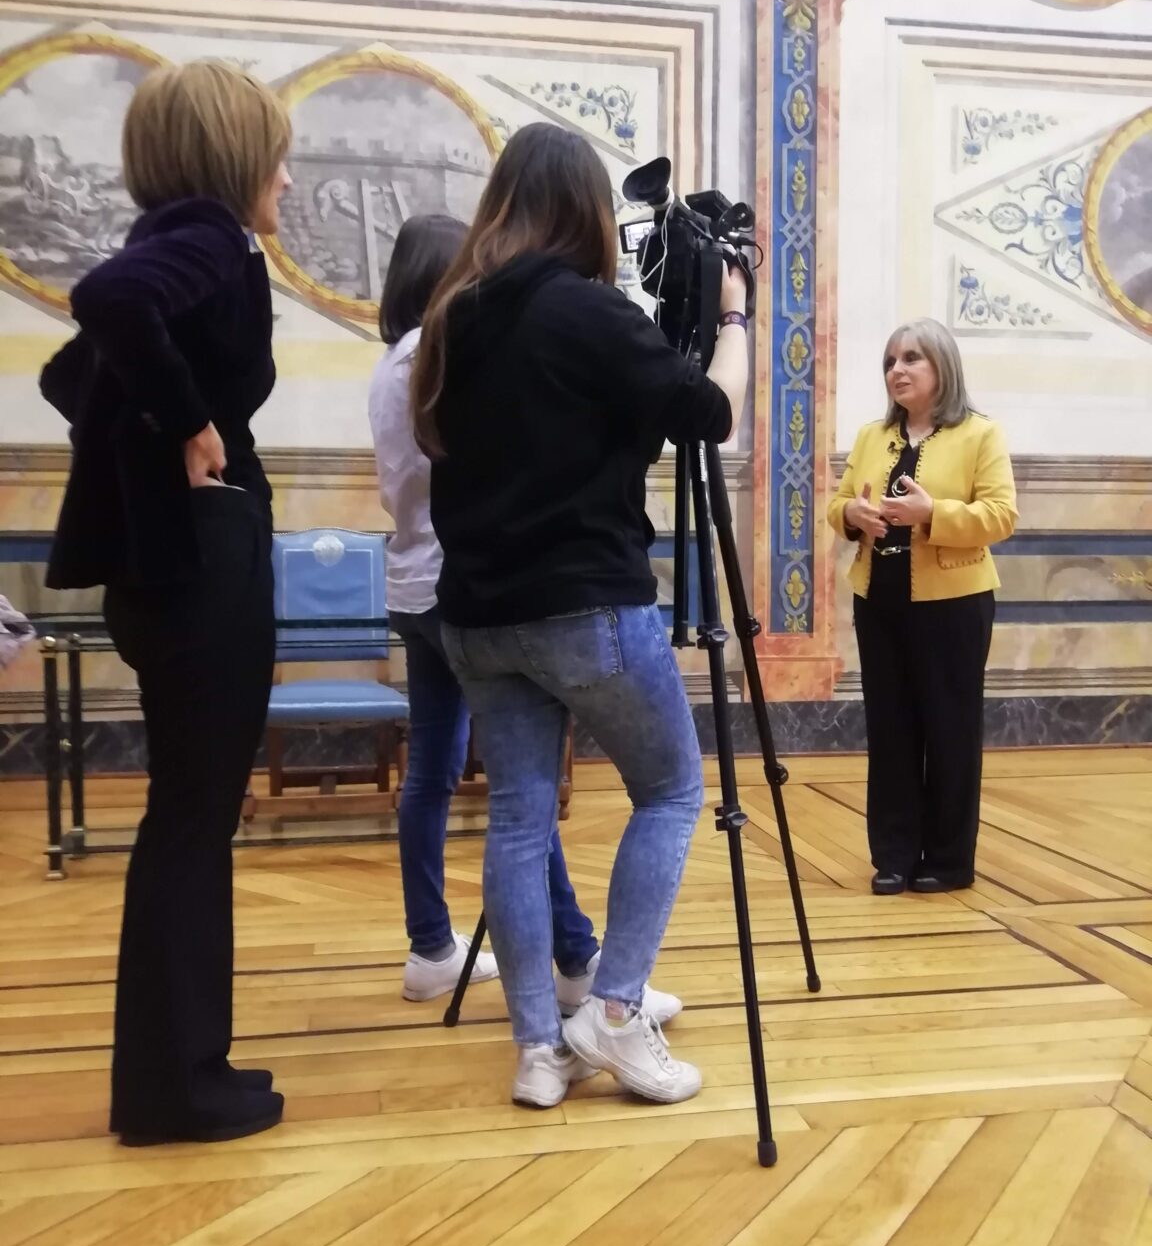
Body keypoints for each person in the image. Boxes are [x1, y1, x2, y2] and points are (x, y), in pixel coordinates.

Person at [411, 123, 750, 1108]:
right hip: (585, 603)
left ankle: (536, 1051)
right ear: (587, 211)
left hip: (476, 615)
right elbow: (710, 414)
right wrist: (732, 315)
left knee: (519, 819)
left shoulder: (454, 314)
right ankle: (613, 1010)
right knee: (672, 790)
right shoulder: (587, 310)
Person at [368, 215, 680, 1096]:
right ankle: (598, 992)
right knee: (650, 789)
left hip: (437, 589)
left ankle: (534, 1016)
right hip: (500, 583)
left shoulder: (406, 357)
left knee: (493, 799)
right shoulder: (458, 341)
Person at [40, 61, 293, 1145]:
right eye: (277, 157)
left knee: (186, 819)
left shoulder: (173, 240)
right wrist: (188, 424)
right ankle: (176, 1088)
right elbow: (106, 306)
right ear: (234, 159)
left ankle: (186, 1068)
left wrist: (143, 440)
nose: (288, 178)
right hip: (201, 568)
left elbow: (68, 376)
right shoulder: (210, 237)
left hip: (168, 570)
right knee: (194, 822)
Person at [827, 318, 1017, 898]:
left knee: (950, 729)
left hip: (954, 604)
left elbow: (1001, 516)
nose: (897, 370)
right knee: (890, 730)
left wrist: (933, 514)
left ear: (943, 367)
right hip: (879, 601)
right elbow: (840, 503)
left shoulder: (980, 434)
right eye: (890, 361)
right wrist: (851, 515)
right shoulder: (872, 436)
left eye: (912, 358)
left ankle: (949, 860)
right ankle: (893, 855)